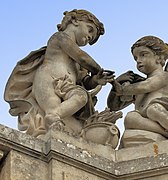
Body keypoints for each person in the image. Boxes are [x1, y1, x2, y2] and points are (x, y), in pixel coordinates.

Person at [5, 9, 114, 137]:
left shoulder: (78, 64)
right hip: (48, 81)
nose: (89, 37)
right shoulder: (60, 38)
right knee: (51, 104)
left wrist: (96, 80)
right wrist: (98, 70)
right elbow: (82, 57)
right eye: (90, 30)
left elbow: (85, 82)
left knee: (81, 97)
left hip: (67, 86)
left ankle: (55, 116)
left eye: (91, 38)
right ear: (74, 21)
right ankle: (53, 116)